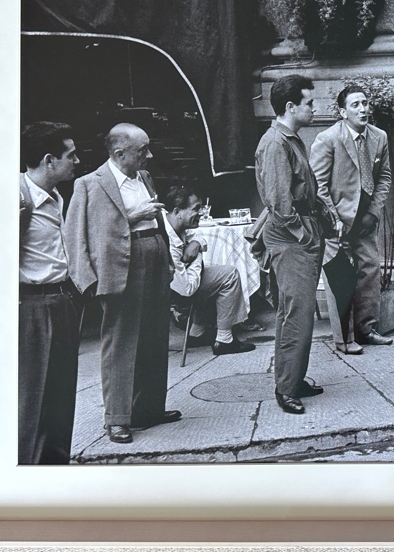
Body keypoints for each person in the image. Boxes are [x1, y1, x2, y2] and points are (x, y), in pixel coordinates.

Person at [66, 123, 181, 444]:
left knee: (156, 337)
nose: (150, 155)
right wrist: (87, 281)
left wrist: (169, 259)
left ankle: (149, 410)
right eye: (142, 150)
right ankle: (117, 419)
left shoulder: (143, 177)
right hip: (120, 268)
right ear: (119, 153)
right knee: (120, 343)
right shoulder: (89, 185)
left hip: (155, 260)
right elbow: (75, 235)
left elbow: (157, 221)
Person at [255, 75, 330, 414]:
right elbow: (279, 201)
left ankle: (293, 378)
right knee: (296, 312)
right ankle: (286, 388)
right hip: (291, 236)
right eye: (309, 103)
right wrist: (304, 233)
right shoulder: (275, 143)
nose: (314, 108)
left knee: (298, 312)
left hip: (300, 232)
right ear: (290, 107)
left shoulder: (289, 138)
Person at [310, 85, 394, 355]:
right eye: (355, 105)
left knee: (369, 270)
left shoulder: (379, 137)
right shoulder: (328, 139)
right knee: (340, 279)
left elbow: (384, 177)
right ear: (342, 111)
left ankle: (367, 329)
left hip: (365, 218)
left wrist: (373, 212)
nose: (363, 109)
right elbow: (318, 185)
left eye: (365, 103)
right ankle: (343, 339)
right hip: (336, 221)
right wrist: (333, 220)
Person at [19, 122, 81, 463]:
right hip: (32, 307)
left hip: (60, 301)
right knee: (34, 402)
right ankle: (29, 476)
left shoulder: (55, 197)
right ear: (48, 160)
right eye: (70, 155)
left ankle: (57, 470)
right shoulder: (17, 197)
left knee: (60, 397)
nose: (77, 160)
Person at [162, 185, 256, 356]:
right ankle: (225, 339)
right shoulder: (168, 240)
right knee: (229, 275)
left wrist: (195, 244)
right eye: (196, 209)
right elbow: (187, 290)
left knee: (213, 274)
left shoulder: (172, 222)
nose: (202, 213)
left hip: (177, 283)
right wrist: (197, 256)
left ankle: (197, 332)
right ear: (177, 211)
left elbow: (197, 237)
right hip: (172, 294)